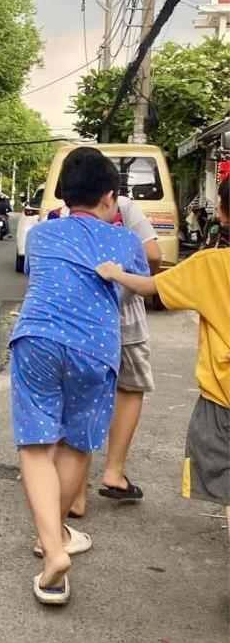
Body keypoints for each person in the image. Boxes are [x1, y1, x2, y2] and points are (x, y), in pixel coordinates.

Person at [10, 147, 150, 606]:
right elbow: (136, 291)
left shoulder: (42, 234)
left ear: (65, 196)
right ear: (110, 197)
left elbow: (40, 275)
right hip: (95, 350)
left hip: (36, 340)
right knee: (74, 444)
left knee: (37, 447)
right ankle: (53, 537)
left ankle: (54, 549)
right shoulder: (125, 241)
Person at [96, 175, 229, 538]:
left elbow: (151, 286)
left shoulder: (211, 264)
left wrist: (116, 273)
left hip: (223, 398)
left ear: (221, 212)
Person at [55, 194, 163, 516]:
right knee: (130, 388)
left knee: (82, 395)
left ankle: (76, 496)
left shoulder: (63, 215)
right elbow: (153, 255)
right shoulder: (125, 208)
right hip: (126, 323)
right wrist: (135, 280)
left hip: (82, 322)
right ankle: (114, 472)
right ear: (109, 194)